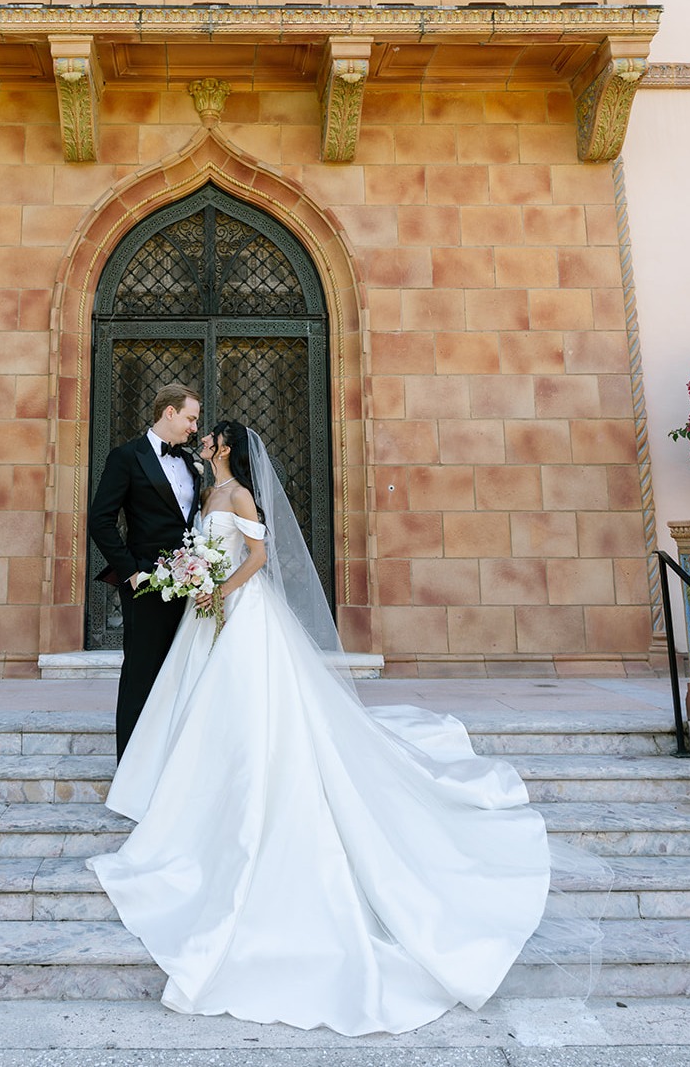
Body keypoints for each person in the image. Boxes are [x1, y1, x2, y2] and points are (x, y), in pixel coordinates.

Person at [88, 421, 556, 1037]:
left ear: (224, 447)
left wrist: (218, 591)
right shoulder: (206, 494)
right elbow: (201, 546)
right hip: (206, 617)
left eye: (208, 439)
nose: (201, 443)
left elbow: (257, 557)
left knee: (251, 706)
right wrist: (192, 576)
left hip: (239, 614)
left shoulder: (240, 497)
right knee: (199, 704)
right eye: (197, 434)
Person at [88, 383, 202, 758]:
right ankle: (131, 766)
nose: (194, 428)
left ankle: (168, 760)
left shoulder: (190, 463)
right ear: (169, 413)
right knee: (141, 672)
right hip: (147, 584)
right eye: (190, 418)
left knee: (179, 672)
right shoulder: (126, 457)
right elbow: (100, 520)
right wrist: (132, 572)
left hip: (189, 583)